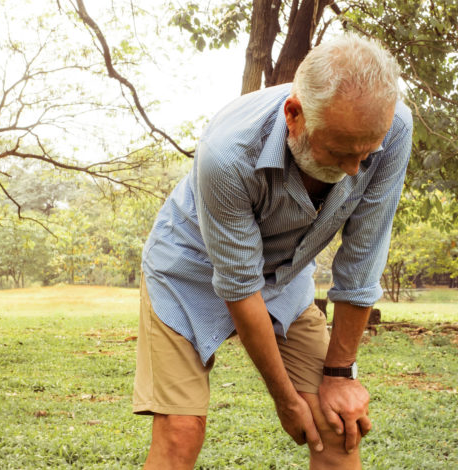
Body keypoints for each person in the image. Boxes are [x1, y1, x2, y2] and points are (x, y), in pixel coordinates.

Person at [133, 32, 411, 469]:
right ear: (294, 115)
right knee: (181, 432)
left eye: (366, 154)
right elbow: (241, 288)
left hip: (283, 273)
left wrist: (339, 375)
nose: (356, 169)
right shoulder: (226, 153)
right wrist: (285, 399)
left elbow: (361, 263)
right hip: (187, 269)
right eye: (340, 152)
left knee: (337, 426)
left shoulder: (392, 132)